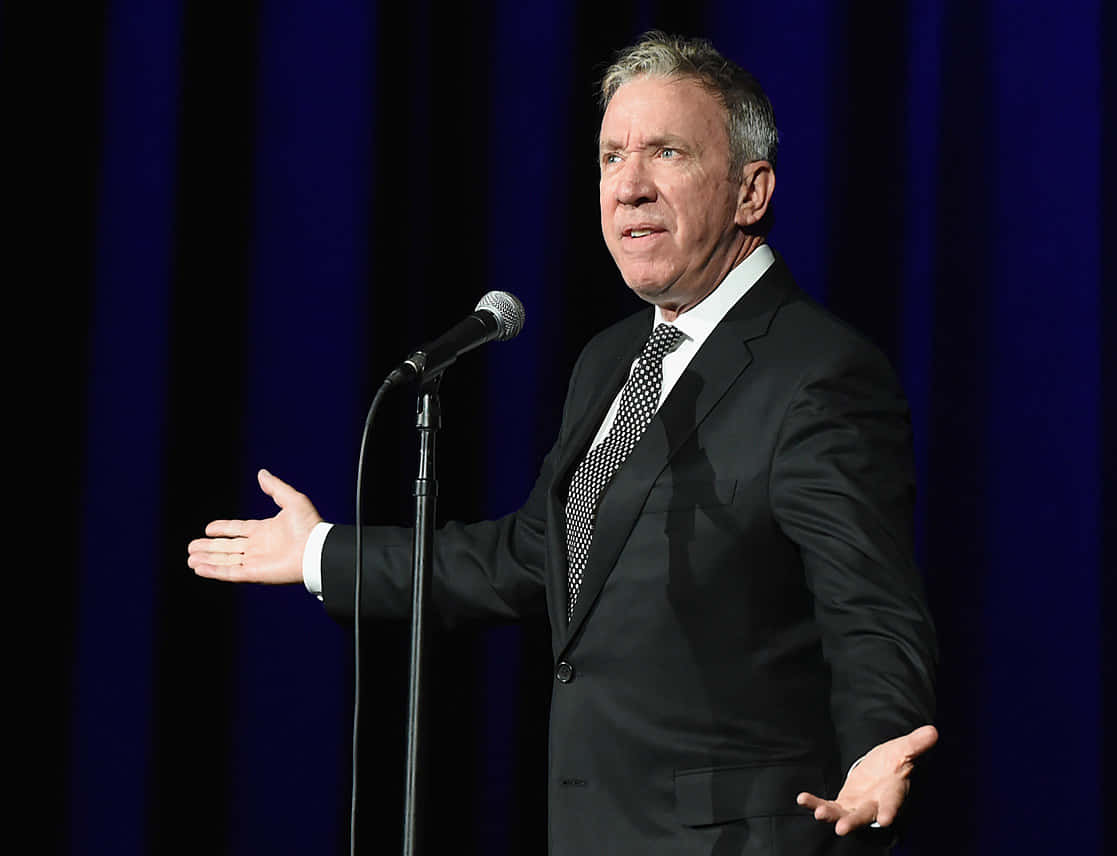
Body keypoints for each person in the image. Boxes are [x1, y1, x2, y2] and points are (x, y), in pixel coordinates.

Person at [190, 31, 938, 856]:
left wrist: (879, 745)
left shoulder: (818, 372)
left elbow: (870, 608)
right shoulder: (612, 360)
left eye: (667, 152)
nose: (629, 186)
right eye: (612, 157)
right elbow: (532, 558)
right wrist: (322, 553)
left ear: (750, 191)